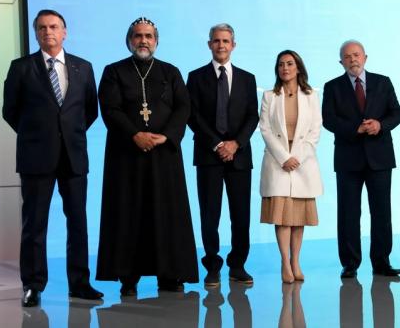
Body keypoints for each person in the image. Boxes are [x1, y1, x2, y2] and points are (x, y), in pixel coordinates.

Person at [2, 9, 103, 307]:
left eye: (54, 27)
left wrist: (66, 134)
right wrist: (39, 135)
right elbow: (10, 111)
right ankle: (32, 285)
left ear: (65, 32)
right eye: (42, 27)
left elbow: (89, 110)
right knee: (35, 224)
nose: (49, 32)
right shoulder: (21, 67)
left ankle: (80, 283)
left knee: (78, 222)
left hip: (73, 156)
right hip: (36, 157)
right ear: (36, 33)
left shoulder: (83, 67)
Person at [95, 17, 199, 295]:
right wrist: (135, 135)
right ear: (129, 40)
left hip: (164, 155)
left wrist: (166, 136)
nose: (143, 40)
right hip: (126, 157)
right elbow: (110, 108)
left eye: (149, 36)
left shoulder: (171, 71)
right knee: (128, 215)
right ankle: (128, 277)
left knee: (167, 214)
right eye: (138, 36)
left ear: (156, 41)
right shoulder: (113, 71)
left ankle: (170, 274)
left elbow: (183, 107)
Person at [322, 40, 400, 278]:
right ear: (341, 62)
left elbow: (396, 113)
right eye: (347, 57)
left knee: (381, 212)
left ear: (365, 57)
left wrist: (380, 124)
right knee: (348, 213)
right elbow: (328, 119)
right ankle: (350, 263)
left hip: (380, 157)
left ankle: (382, 262)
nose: (353, 60)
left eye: (356, 55)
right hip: (348, 157)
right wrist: (354, 129)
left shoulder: (383, 82)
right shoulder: (333, 87)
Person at [187, 23, 259, 287]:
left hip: (239, 156)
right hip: (208, 156)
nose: (221, 45)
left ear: (233, 45)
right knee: (210, 213)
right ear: (209, 44)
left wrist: (235, 144)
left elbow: (253, 115)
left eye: (226, 41)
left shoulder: (247, 78)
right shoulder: (195, 77)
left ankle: (238, 265)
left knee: (240, 214)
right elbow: (192, 116)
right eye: (216, 41)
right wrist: (218, 144)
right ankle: (212, 265)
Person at [259, 50, 323, 283]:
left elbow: (315, 131)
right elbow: (265, 129)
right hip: (278, 162)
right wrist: (284, 157)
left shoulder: (310, 95)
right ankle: (284, 263)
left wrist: (297, 156)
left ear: (298, 68)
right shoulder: (269, 95)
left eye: (289, 64)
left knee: (298, 218)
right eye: (281, 65)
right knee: (283, 217)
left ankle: (296, 261)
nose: (285, 68)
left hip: (302, 162)